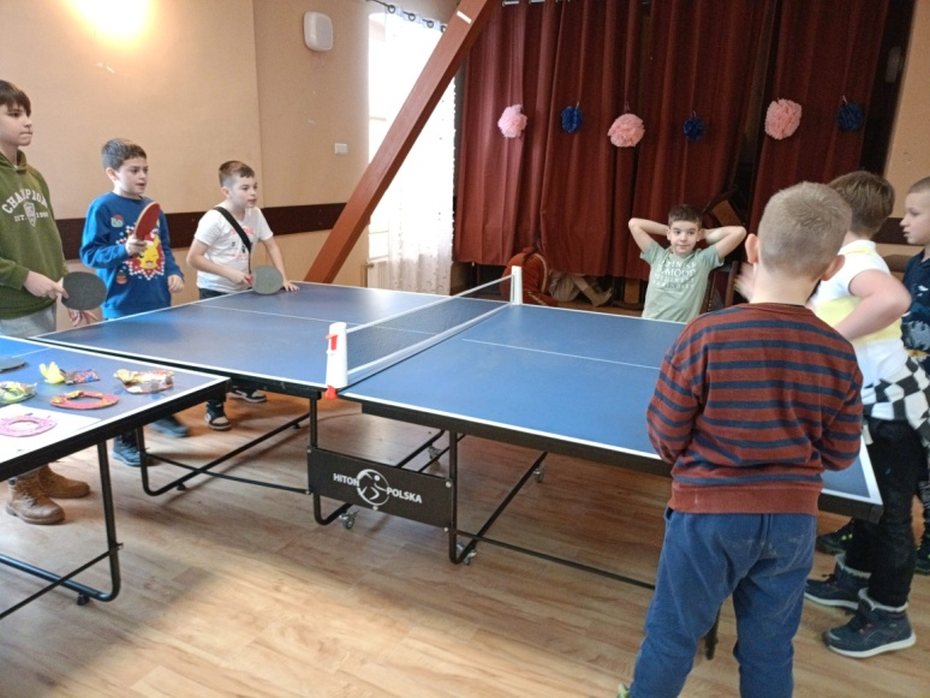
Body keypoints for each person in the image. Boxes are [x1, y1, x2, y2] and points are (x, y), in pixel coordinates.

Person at [619, 182, 863, 698]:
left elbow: (665, 437)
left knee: (672, 634)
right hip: (792, 522)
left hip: (707, 516)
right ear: (832, 269)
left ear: (752, 248)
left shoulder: (703, 335)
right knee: (770, 647)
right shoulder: (840, 353)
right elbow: (842, 453)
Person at [803, 170, 927, 658]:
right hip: (874, 400)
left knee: (893, 515)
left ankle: (889, 615)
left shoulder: (857, 260)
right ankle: (852, 580)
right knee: (871, 503)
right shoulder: (851, 259)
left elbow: (893, 299)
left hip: (894, 408)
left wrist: (832, 339)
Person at [0, 79, 95, 525]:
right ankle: (20, 488)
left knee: (41, 394)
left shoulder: (34, 176)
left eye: (26, 113)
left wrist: (65, 284)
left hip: (43, 305)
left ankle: (40, 472)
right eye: (14, 114)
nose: (27, 122)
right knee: (15, 400)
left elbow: (50, 236)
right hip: (8, 310)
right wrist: (23, 277)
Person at [80, 137, 188, 466]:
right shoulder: (102, 207)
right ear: (113, 173)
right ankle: (124, 440)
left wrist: (174, 272)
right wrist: (123, 250)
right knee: (129, 376)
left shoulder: (153, 207)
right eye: (134, 170)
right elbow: (89, 254)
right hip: (122, 306)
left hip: (157, 301)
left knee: (158, 368)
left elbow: (164, 248)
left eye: (145, 170)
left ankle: (160, 413)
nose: (142, 176)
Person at [186, 160, 297, 430]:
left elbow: (272, 246)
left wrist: (281, 276)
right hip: (215, 291)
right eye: (245, 188)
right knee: (218, 351)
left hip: (242, 290)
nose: (253, 193)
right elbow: (193, 258)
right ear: (227, 191)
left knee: (246, 342)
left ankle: (242, 386)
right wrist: (228, 273)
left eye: (254, 187)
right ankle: (213, 407)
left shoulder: (255, 214)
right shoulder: (213, 219)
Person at [629, 205, 746, 322]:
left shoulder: (703, 260)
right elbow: (634, 224)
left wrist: (706, 233)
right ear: (669, 234)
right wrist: (669, 230)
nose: (683, 238)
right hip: (650, 325)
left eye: (690, 233)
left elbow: (740, 232)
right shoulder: (657, 255)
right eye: (678, 232)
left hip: (684, 329)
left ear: (698, 235)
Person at [899, 175, 930, 574]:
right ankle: (865, 526)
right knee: (901, 459)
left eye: (914, 213)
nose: (904, 221)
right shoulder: (913, 264)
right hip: (909, 381)